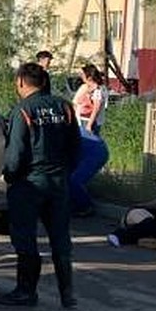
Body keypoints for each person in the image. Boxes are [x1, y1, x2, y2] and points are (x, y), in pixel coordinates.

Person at [0, 61, 82, 308]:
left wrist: (9, 176)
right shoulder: (65, 107)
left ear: (21, 82)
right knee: (60, 238)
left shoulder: (22, 110)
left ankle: (26, 291)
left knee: (25, 237)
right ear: (44, 81)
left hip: (29, 184)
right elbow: (76, 147)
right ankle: (67, 294)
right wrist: (65, 173)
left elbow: (16, 153)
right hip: (59, 183)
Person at [69, 65, 110, 215]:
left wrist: (89, 126)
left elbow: (96, 109)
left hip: (88, 126)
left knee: (75, 177)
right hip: (82, 124)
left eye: (82, 74)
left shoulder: (98, 90)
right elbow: (76, 102)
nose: (81, 76)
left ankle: (85, 205)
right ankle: (77, 200)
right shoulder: (87, 88)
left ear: (89, 76)